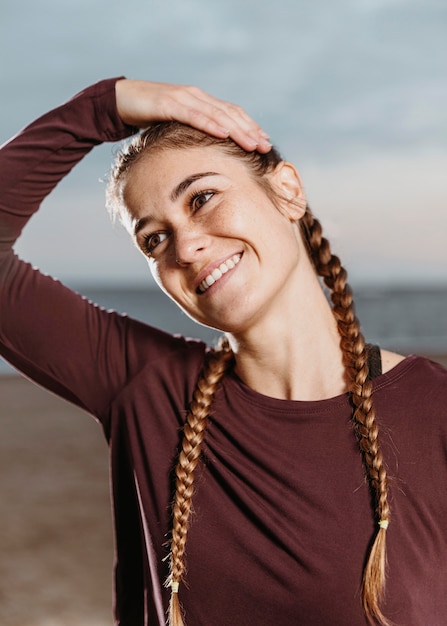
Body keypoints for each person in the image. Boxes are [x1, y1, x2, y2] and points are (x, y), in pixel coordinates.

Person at [1, 77, 446, 626]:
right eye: (154, 240)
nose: (186, 246)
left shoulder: (434, 410)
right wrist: (105, 106)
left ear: (286, 190)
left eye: (202, 198)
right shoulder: (148, 389)